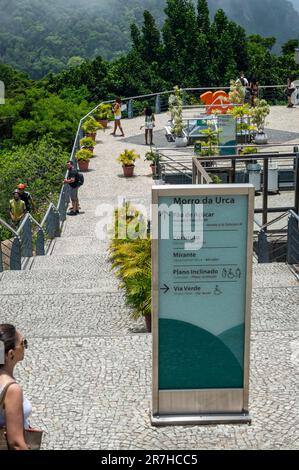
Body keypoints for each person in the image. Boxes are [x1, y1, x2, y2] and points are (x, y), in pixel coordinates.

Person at [0, 324, 31, 450]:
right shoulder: (11, 389)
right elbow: (16, 444)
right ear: (11, 354)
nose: (25, 347)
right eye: (23, 343)